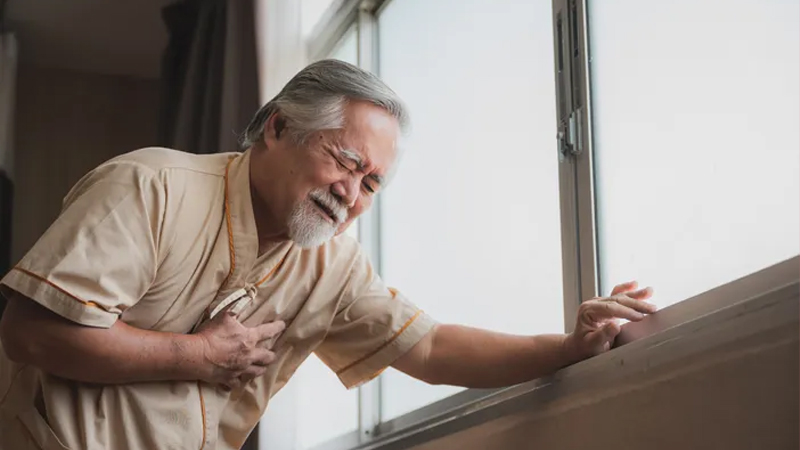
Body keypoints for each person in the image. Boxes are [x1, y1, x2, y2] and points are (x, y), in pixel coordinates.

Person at [0, 60, 656, 450]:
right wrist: (197, 355)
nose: (351, 193)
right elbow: (29, 332)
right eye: (345, 161)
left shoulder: (333, 263)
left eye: (372, 182)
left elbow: (429, 349)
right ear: (279, 127)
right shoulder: (150, 187)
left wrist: (568, 348)